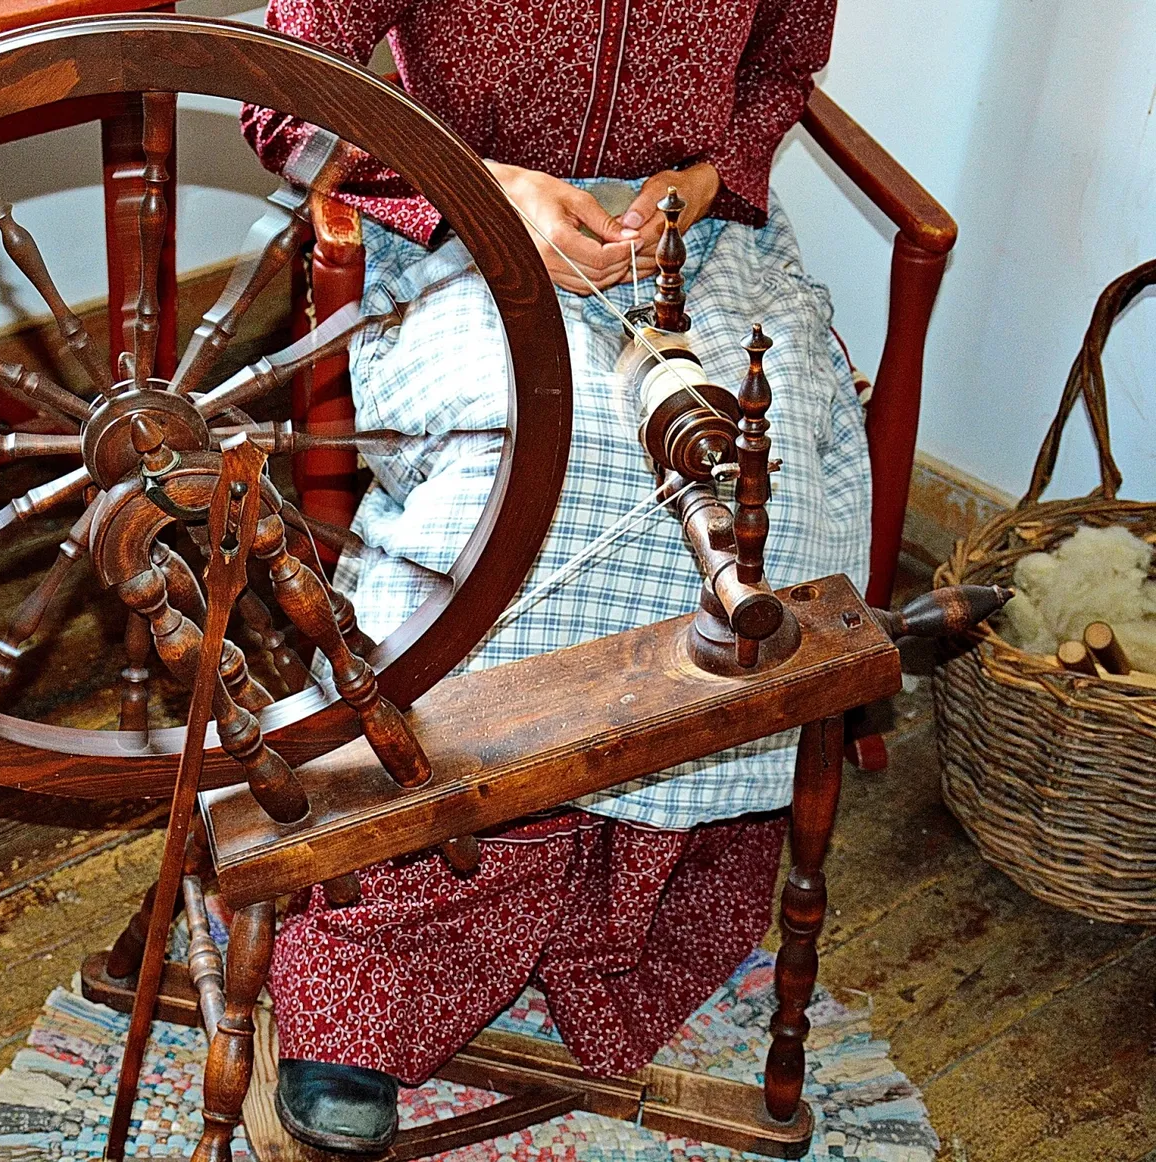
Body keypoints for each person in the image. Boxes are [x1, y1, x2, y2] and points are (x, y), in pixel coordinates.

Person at [240, 1, 864, 1152]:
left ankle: (624, 909)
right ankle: (389, 955)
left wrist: (697, 183)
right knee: (534, 485)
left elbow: (779, 66)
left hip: (697, 251)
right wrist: (487, 190)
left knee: (754, 486)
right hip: (456, 232)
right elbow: (280, 94)